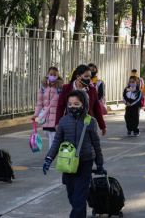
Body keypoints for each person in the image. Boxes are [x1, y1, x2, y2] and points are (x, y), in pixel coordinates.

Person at [43, 90, 104, 218]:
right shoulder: (63, 121)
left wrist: (99, 164)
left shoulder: (90, 122)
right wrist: (48, 158)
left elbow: (96, 145)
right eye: (70, 104)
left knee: (79, 199)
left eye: (76, 104)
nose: (72, 107)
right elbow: (56, 142)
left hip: (85, 163)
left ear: (84, 104)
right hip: (68, 164)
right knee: (72, 196)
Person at [56, 64, 106, 136]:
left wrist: (102, 126)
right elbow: (60, 107)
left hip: (87, 125)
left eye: (90, 77)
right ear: (78, 77)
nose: (88, 79)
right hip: (70, 124)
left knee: (86, 146)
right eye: (86, 76)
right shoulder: (66, 88)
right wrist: (58, 123)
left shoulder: (92, 90)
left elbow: (97, 108)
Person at [31, 67, 63, 149]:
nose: (52, 76)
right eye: (51, 74)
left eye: (54, 75)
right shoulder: (43, 87)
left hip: (56, 116)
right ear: (48, 74)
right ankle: (54, 150)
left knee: (53, 136)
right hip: (45, 116)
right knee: (46, 133)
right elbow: (39, 103)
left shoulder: (60, 87)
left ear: (58, 75)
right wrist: (36, 114)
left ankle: (50, 155)